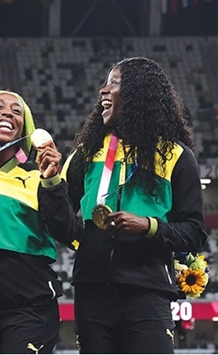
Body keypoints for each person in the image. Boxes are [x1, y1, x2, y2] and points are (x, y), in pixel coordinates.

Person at [57, 56, 208, 353]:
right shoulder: (85, 155)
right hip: (92, 291)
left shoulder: (175, 156)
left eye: (114, 83)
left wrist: (148, 226)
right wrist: (50, 183)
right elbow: (62, 223)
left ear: (139, 92)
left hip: (148, 293)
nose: (103, 90)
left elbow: (195, 231)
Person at [0, 90, 77, 354]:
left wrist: (52, 181)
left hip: (30, 310)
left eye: (16, 110)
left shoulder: (38, 174)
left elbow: (68, 231)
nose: (8, 113)